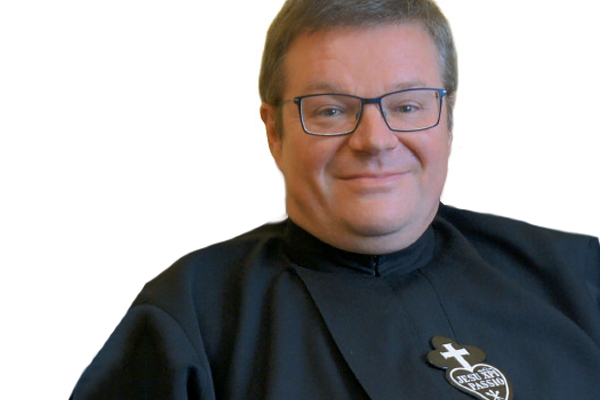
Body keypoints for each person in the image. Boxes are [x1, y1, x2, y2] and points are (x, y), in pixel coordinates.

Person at [70, 0, 600, 398]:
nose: (375, 140)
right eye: (330, 110)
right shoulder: (190, 318)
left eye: (408, 106)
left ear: (448, 119)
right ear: (274, 132)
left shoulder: (578, 278)